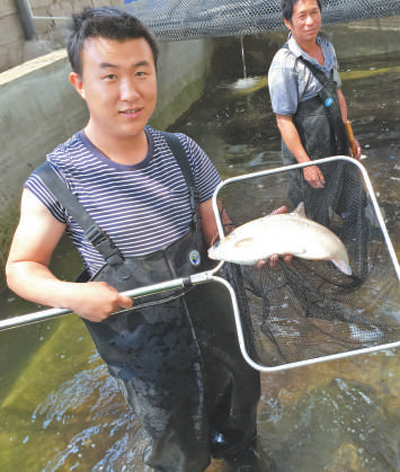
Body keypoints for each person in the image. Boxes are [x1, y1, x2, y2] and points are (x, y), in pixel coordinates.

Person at [6, 7, 264, 472]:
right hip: (150, 366)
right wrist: (72, 294)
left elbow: (217, 233)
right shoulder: (55, 180)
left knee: (240, 420)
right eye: (110, 76)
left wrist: (258, 242)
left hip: (222, 336)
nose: (130, 92)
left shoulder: (185, 152)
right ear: (79, 84)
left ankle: (242, 454)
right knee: (179, 451)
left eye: (141, 72)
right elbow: (21, 268)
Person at [268, 0, 364, 228]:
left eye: (314, 13)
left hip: (336, 147)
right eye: (302, 16)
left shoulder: (327, 47)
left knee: (355, 209)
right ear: (287, 22)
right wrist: (307, 164)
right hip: (308, 155)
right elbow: (283, 121)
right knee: (314, 222)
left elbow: (336, 93)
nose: (310, 21)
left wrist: (349, 136)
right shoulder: (285, 64)